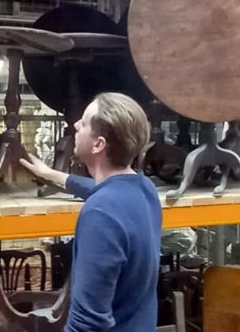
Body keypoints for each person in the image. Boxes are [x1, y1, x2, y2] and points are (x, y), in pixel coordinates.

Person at [20, 92, 162, 332]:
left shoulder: (100, 212)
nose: (75, 125)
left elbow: (87, 323)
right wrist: (50, 174)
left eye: (84, 123)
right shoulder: (143, 189)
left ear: (98, 144)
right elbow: (99, 189)